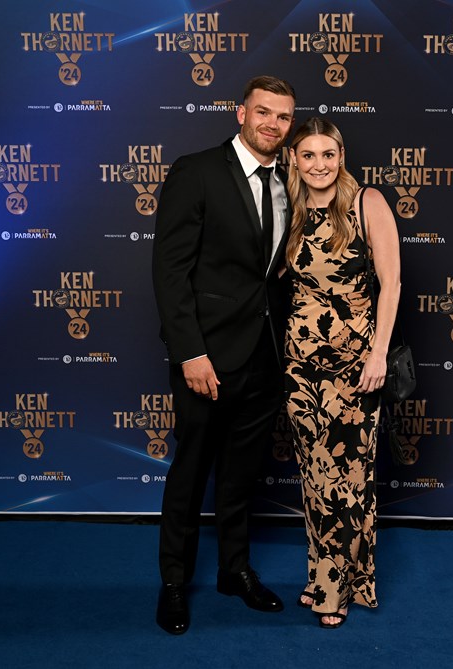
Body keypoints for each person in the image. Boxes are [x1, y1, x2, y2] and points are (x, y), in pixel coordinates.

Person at [151, 75, 296, 635]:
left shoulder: (288, 180)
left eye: (283, 117)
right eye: (263, 112)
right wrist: (190, 352)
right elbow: (170, 270)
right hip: (207, 357)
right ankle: (173, 582)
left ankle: (235, 571)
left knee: (241, 474)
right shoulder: (197, 171)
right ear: (241, 113)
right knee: (191, 472)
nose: (272, 124)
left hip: (265, 355)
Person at [284, 117, 401, 629]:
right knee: (314, 479)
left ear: (341, 156)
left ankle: (336, 591)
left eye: (328, 154)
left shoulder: (365, 202)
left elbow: (392, 283)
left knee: (348, 480)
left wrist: (378, 355)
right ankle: (320, 577)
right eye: (308, 155)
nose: (319, 165)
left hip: (355, 365)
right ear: (294, 159)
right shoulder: (288, 208)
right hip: (299, 365)